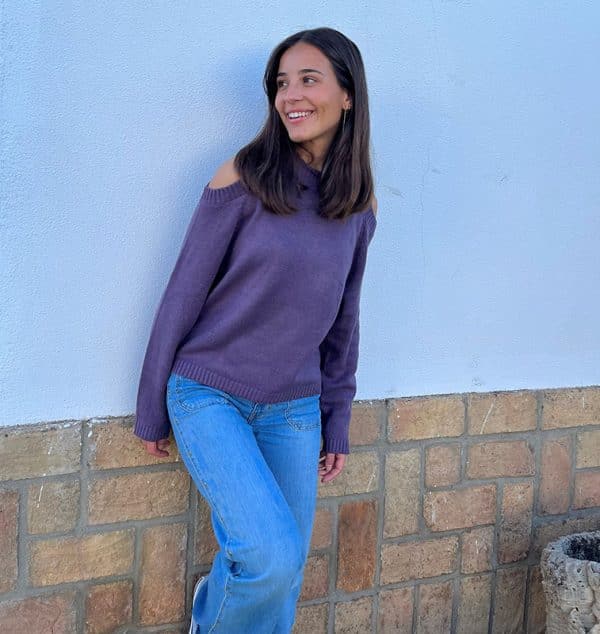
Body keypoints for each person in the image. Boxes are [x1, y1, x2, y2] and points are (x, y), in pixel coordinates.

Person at [133, 26, 377, 633]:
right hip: (209, 394)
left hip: (294, 406)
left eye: (308, 79)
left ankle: (214, 611)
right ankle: (209, 614)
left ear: (347, 94)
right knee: (269, 557)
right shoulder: (244, 176)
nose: (290, 95)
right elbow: (183, 293)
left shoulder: (357, 205)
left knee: (284, 574)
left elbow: (343, 318)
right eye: (281, 83)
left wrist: (336, 419)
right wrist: (150, 405)